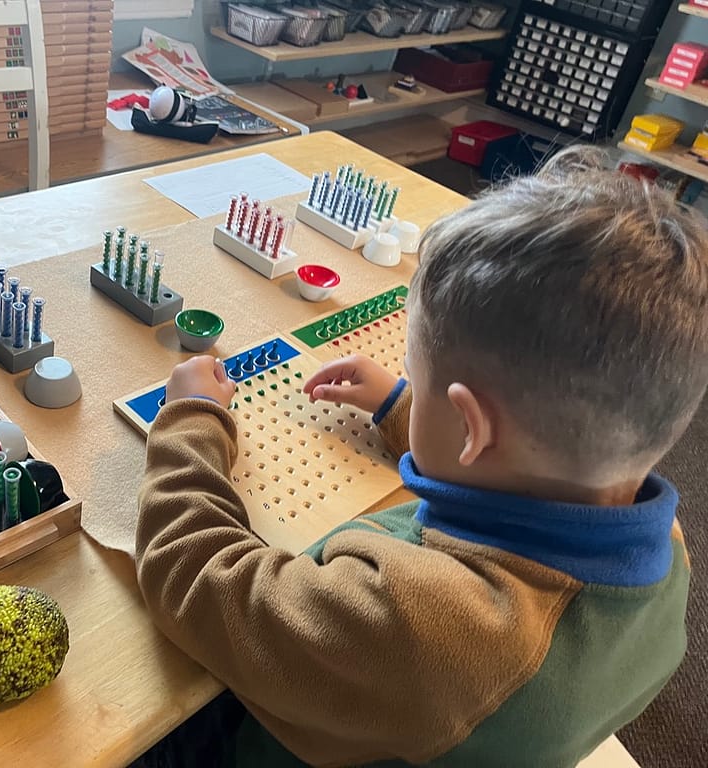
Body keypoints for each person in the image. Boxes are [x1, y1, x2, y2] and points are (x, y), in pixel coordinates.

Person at [134, 146, 708, 767]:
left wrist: (192, 419)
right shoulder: (666, 552)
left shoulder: (418, 625)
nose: (405, 378)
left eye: (415, 372)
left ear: (470, 425)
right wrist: (405, 407)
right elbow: (519, 468)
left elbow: (194, 575)